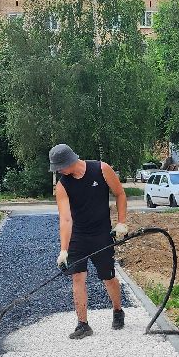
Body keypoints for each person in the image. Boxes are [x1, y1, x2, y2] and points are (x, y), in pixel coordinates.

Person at [49, 143, 128, 339]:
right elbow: (66, 219)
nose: (58, 171)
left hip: (101, 234)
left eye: (59, 167)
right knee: (78, 277)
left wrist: (121, 223)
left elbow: (120, 194)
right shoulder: (62, 186)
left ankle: (118, 310)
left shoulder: (101, 169)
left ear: (69, 162)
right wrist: (64, 250)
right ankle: (83, 324)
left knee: (108, 278)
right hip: (78, 236)